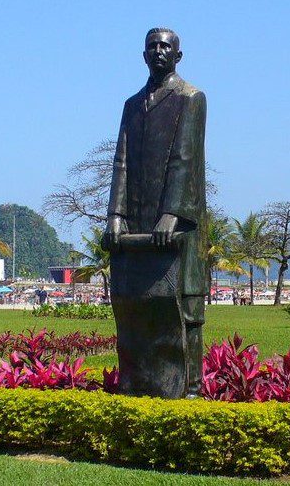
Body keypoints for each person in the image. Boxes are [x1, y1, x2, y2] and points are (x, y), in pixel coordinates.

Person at [105, 28, 207, 398]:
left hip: (177, 226)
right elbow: (121, 164)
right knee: (138, 311)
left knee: (186, 311)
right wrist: (115, 215)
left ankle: (190, 390)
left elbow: (185, 159)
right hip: (136, 227)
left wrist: (172, 213)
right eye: (152, 46)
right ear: (143, 54)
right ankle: (141, 383)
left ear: (178, 55)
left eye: (166, 46)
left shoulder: (191, 98)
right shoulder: (132, 105)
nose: (159, 51)